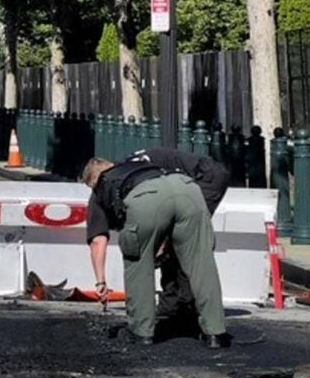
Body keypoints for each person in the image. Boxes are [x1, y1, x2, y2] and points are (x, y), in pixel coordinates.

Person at [82, 155, 229, 349]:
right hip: (187, 188)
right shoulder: (136, 164)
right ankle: (215, 332)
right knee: (202, 263)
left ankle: (141, 331)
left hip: (146, 198)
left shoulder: (102, 185)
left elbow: (98, 241)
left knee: (138, 262)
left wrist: (101, 281)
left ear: (93, 180)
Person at [121, 148, 230, 325]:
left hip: (206, 178)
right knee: (180, 238)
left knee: (187, 241)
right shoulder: (136, 163)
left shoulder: (133, 174)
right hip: (202, 176)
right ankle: (177, 301)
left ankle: (180, 303)